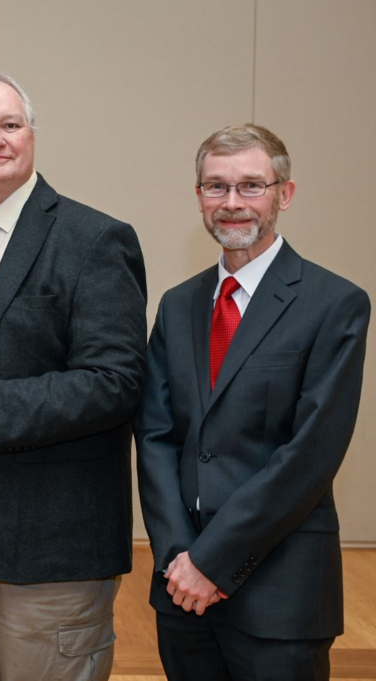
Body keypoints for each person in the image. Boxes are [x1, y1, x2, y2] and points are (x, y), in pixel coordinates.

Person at [0, 73, 147, 680]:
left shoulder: (93, 240)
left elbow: (115, 381)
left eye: (10, 124)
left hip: (45, 539)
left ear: (32, 135)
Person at [134, 124, 370, 681]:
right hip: (181, 593)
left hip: (280, 599)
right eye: (215, 187)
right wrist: (177, 559)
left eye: (251, 186)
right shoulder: (178, 305)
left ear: (284, 194)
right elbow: (156, 437)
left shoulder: (335, 304)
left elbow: (309, 455)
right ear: (198, 198)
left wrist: (211, 563)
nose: (232, 203)